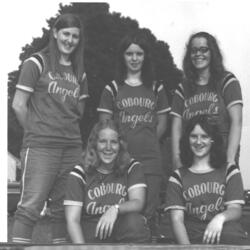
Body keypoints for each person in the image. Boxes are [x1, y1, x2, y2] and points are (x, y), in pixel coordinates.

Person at [11, 13, 88, 244]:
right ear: (55, 33)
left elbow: (79, 111)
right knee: (30, 208)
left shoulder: (79, 71)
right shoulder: (36, 63)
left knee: (63, 210)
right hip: (41, 146)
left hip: (71, 148)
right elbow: (18, 105)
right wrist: (37, 131)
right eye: (66, 34)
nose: (70, 40)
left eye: (75, 36)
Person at [97, 32, 170, 237]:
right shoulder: (112, 88)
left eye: (139, 53)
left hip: (150, 159)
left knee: (149, 211)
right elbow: (105, 126)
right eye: (130, 53)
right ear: (123, 56)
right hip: (122, 160)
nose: (135, 58)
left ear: (145, 56)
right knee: (123, 210)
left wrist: (147, 140)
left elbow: (163, 123)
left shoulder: (156, 87)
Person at [164, 115, 250, 245]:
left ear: (213, 140)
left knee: (231, 232)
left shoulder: (229, 171)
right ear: (187, 140)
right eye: (194, 136)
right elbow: (177, 220)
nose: (198, 141)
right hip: (192, 238)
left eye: (204, 136)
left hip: (222, 233)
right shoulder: (177, 177)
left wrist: (220, 218)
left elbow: (235, 210)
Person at [64, 119, 150, 243]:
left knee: (135, 222)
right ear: (94, 144)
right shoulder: (80, 172)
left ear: (121, 145)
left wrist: (115, 209)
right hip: (90, 233)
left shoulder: (131, 166)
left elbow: (138, 202)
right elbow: (73, 221)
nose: (108, 148)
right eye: (103, 141)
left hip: (119, 228)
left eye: (114, 142)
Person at [171, 31, 243, 170]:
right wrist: (176, 161)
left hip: (221, 156)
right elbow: (176, 127)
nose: (198, 54)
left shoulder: (227, 81)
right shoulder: (183, 88)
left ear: (213, 53)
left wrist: (230, 161)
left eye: (204, 49)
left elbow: (237, 121)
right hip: (192, 160)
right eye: (194, 50)